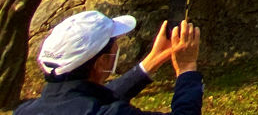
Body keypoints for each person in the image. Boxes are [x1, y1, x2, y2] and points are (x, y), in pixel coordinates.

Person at [18, 10, 202, 115]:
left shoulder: (24, 111)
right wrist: (187, 69)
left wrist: (150, 62)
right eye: (115, 42)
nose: (117, 47)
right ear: (101, 62)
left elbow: (86, 99)